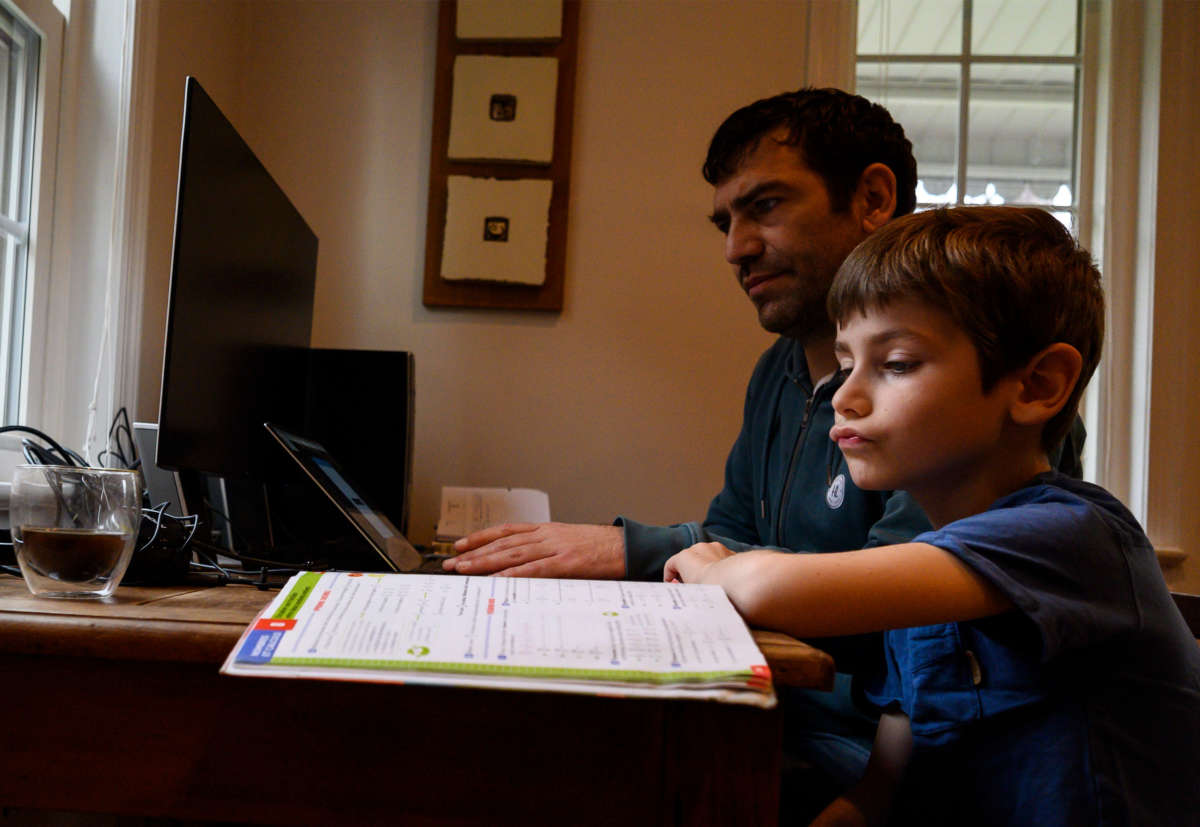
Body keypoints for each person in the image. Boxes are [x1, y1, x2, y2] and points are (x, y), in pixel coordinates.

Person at [664, 206, 1200, 825]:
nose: (844, 395)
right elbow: (882, 792)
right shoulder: (921, 592)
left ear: (1037, 385)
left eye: (896, 365)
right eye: (845, 365)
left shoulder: (1071, 537)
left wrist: (712, 567)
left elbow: (769, 588)